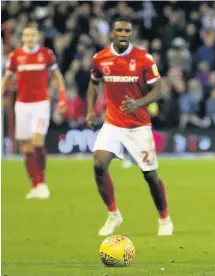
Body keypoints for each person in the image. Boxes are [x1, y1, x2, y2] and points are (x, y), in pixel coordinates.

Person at [86, 17, 172, 236]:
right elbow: (94, 83)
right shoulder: (101, 58)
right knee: (98, 163)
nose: (124, 33)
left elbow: (158, 90)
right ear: (112, 33)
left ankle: (164, 217)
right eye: (120, 30)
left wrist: (138, 103)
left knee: (150, 176)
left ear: (131, 34)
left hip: (138, 126)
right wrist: (90, 110)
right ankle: (114, 214)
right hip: (112, 123)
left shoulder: (143, 59)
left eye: (127, 30)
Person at [1, 24, 67, 199]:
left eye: (32, 35)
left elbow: (58, 77)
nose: (29, 38)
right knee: (26, 147)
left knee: (37, 142)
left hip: (41, 104)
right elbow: (6, 79)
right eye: (26, 35)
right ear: (23, 38)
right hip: (22, 105)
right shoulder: (15, 57)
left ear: (37, 36)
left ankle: (43, 183)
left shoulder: (46, 54)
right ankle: (35, 185)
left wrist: (61, 98)